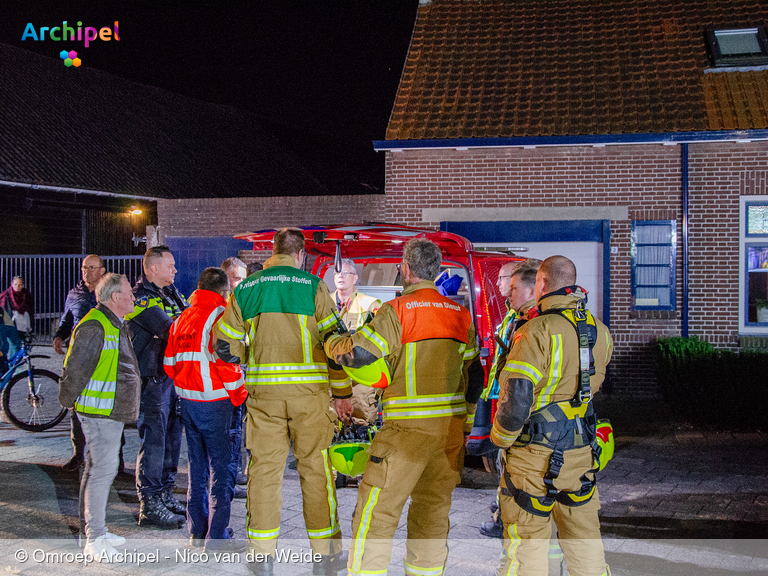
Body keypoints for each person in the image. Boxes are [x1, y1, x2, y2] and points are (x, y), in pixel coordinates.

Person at [324, 238, 485, 576]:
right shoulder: (461, 315)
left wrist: (332, 342)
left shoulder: (398, 311)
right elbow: (474, 378)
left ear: (406, 269)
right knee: (432, 515)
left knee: (375, 515)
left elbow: (359, 354)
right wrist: (466, 426)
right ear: (437, 271)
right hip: (449, 437)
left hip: (405, 436)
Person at [214, 227, 351, 576]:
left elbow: (223, 346)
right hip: (310, 401)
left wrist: (251, 354)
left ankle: (261, 558)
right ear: (301, 254)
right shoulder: (314, 287)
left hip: (264, 401)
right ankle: (326, 558)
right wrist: (343, 394)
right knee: (317, 473)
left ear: (272, 251)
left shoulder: (247, 288)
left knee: (264, 475)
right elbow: (336, 349)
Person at [491, 256, 613, 576]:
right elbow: (593, 384)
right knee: (584, 541)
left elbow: (518, 395)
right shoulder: (600, 331)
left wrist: (500, 440)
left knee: (526, 545)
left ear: (541, 284)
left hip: (534, 457)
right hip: (581, 453)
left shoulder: (537, 330)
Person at [164, 267, 247, 553]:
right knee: (222, 471)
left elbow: (169, 366)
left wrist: (189, 386)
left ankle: (196, 531)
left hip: (188, 404)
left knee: (197, 469)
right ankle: (217, 538)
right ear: (224, 291)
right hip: (218, 405)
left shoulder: (181, 318)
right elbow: (228, 363)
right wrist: (239, 395)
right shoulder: (220, 317)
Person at [58, 273, 140, 562]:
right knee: (101, 473)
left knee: (97, 470)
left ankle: (95, 532)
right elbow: (75, 369)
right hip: (99, 413)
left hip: (106, 412)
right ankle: (94, 538)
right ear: (115, 297)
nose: (133, 297)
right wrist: (68, 401)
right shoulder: (96, 324)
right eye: (129, 293)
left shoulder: (110, 322)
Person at [126, 246, 189, 529]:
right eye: (170, 265)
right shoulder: (140, 299)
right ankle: (149, 504)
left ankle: (164, 494)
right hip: (152, 381)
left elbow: (185, 321)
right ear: (152, 268)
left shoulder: (171, 293)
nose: (175, 270)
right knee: (154, 442)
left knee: (172, 440)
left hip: (171, 379)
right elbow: (173, 330)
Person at [480, 259, 541, 538]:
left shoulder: (532, 324)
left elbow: (521, 382)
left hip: (526, 415)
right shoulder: (516, 315)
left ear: (532, 290)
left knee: (514, 467)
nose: (505, 289)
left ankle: (506, 517)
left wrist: (500, 436)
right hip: (508, 399)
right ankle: (502, 510)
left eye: (512, 284)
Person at [53, 254, 108, 473]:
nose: (86, 271)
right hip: (77, 357)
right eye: (84, 267)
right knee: (76, 406)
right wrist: (59, 335)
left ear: (102, 271)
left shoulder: (109, 291)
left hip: (103, 356)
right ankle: (79, 453)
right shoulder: (74, 294)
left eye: (92, 267)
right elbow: (68, 319)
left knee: (106, 406)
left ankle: (115, 457)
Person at [331, 258, 382, 426]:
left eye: (346, 273)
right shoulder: (323, 303)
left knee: (362, 431)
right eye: (338, 272)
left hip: (361, 383)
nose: (341, 276)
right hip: (332, 381)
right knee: (330, 429)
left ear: (355, 277)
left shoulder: (370, 304)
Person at [220, 256, 250, 499]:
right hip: (227, 382)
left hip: (239, 376)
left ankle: (236, 472)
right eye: (238, 278)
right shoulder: (222, 306)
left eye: (244, 277)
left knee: (237, 430)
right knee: (229, 432)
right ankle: (228, 479)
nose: (242, 283)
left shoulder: (240, 302)